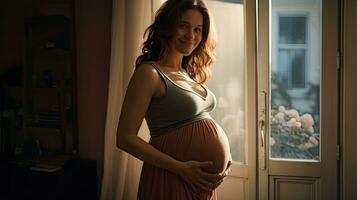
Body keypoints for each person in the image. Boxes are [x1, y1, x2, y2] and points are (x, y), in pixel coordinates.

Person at [116, 0, 232, 199]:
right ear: (167, 26)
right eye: (183, 26)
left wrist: (226, 158)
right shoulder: (149, 73)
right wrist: (181, 169)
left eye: (198, 29)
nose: (191, 36)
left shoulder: (189, 74)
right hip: (171, 178)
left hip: (199, 185)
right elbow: (124, 138)